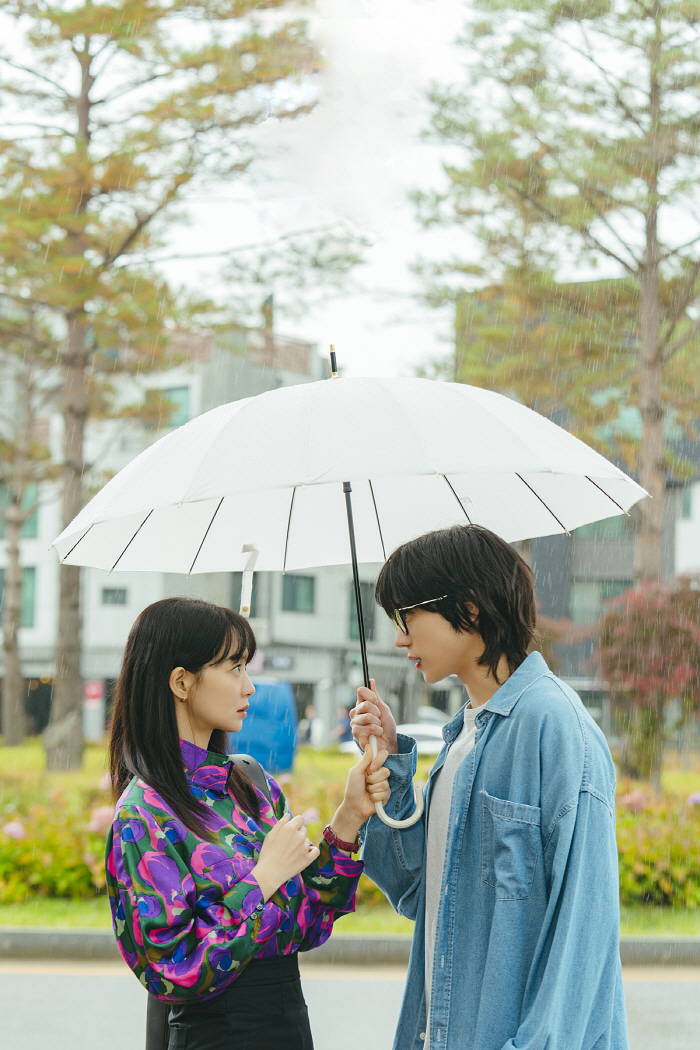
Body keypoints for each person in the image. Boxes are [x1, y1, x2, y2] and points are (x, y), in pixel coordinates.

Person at [351, 525, 628, 1050]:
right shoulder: (463, 737)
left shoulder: (555, 727)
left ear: (470, 609)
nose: (399, 638)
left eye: (406, 616)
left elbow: (582, 939)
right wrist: (390, 765)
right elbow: (417, 893)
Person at [106, 597, 390, 1050]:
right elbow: (172, 970)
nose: (250, 688)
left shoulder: (251, 786)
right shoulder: (144, 814)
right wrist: (262, 879)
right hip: (217, 1035)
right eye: (234, 668)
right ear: (182, 681)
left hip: (289, 1027)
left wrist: (349, 817)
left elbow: (310, 922)